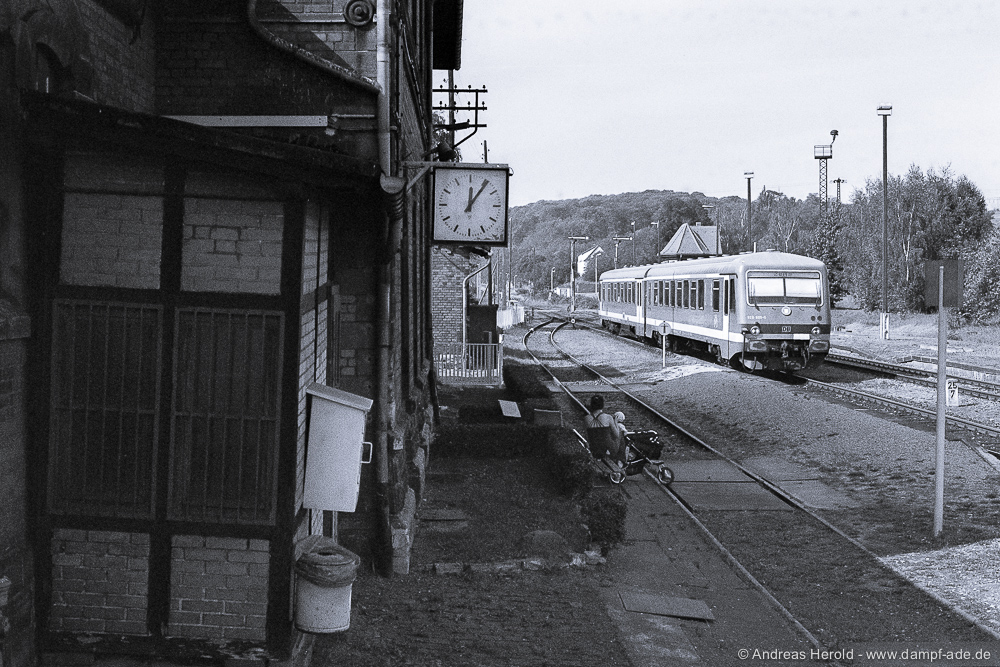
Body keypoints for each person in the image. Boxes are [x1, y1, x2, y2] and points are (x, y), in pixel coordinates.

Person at [584, 395, 624, 462]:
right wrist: (616, 422)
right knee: (620, 433)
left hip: (594, 450)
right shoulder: (608, 417)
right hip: (608, 450)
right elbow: (616, 435)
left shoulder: (586, 418)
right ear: (602, 405)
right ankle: (622, 459)